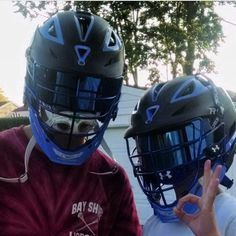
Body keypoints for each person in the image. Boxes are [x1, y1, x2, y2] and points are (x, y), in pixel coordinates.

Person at [0, 10, 142, 235]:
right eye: (61, 88)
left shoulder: (111, 179)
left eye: (90, 91)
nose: (76, 107)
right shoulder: (3, 156)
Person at [124, 74, 236, 235]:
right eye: (152, 144)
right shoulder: (153, 225)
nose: (163, 154)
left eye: (177, 140)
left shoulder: (230, 216)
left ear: (217, 140)